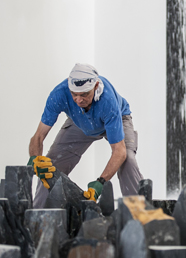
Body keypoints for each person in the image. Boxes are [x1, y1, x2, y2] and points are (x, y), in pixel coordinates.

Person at [28, 63, 143, 208]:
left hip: (116, 119)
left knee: (128, 160)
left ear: (95, 86)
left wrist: (100, 183)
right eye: (74, 94)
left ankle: (140, 215)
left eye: (84, 95)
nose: (78, 100)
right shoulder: (59, 94)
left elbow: (119, 152)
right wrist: (34, 158)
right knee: (50, 166)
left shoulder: (107, 101)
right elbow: (38, 136)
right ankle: (37, 217)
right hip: (80, 121)